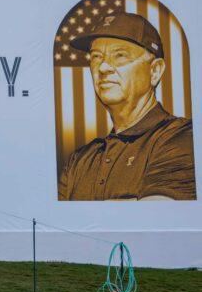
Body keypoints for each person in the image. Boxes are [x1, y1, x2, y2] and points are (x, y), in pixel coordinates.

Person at [60, 12, 196, 200]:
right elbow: (54, 224)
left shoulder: (184, 138)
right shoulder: (79, 161)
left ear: (155, 71)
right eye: (96, 57)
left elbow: (155, 219)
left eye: (120, 55)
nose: (103, 68)